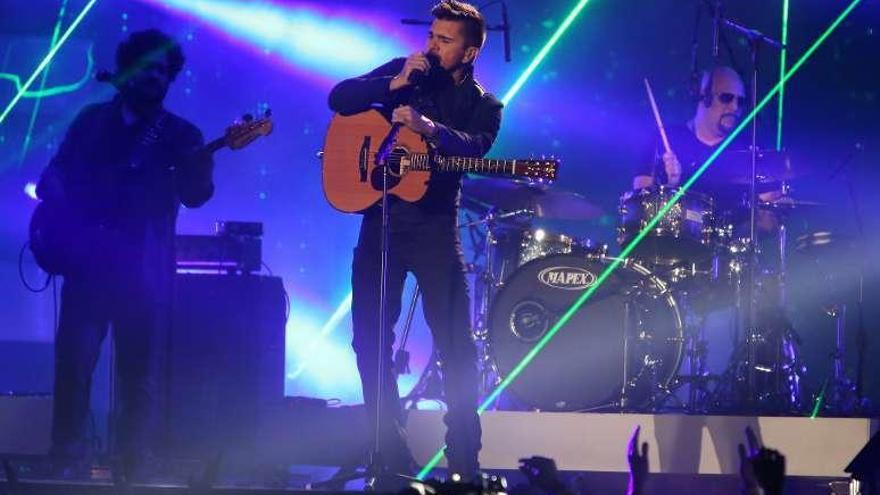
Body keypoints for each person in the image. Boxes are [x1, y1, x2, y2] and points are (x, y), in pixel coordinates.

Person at [327, 0, 503, 479]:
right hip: (380, 223)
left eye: (445, 40)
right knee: (369, 340)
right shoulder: (407, 70)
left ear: (469, 53)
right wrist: (392, 84)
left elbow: (475, 147)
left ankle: (464, 460)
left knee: (456, 346)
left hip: (433, 229)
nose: (432, 45)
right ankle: (389, 454)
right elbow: (340, 98)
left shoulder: (484, 105)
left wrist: (430, 129)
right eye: (432, 36)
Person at [36, 29, 214, 477]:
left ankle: (133, 465)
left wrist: (199, 165)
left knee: (140, 378)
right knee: (73, 368)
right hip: (87, 266)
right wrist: (60, 213)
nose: (155, 76)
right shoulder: (91, 121)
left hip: (143, 272)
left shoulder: (180, 134)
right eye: (146, 67)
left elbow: (196, 196)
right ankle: (67, 460)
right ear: (128, 71)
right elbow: (54, 175)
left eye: (162, 70)